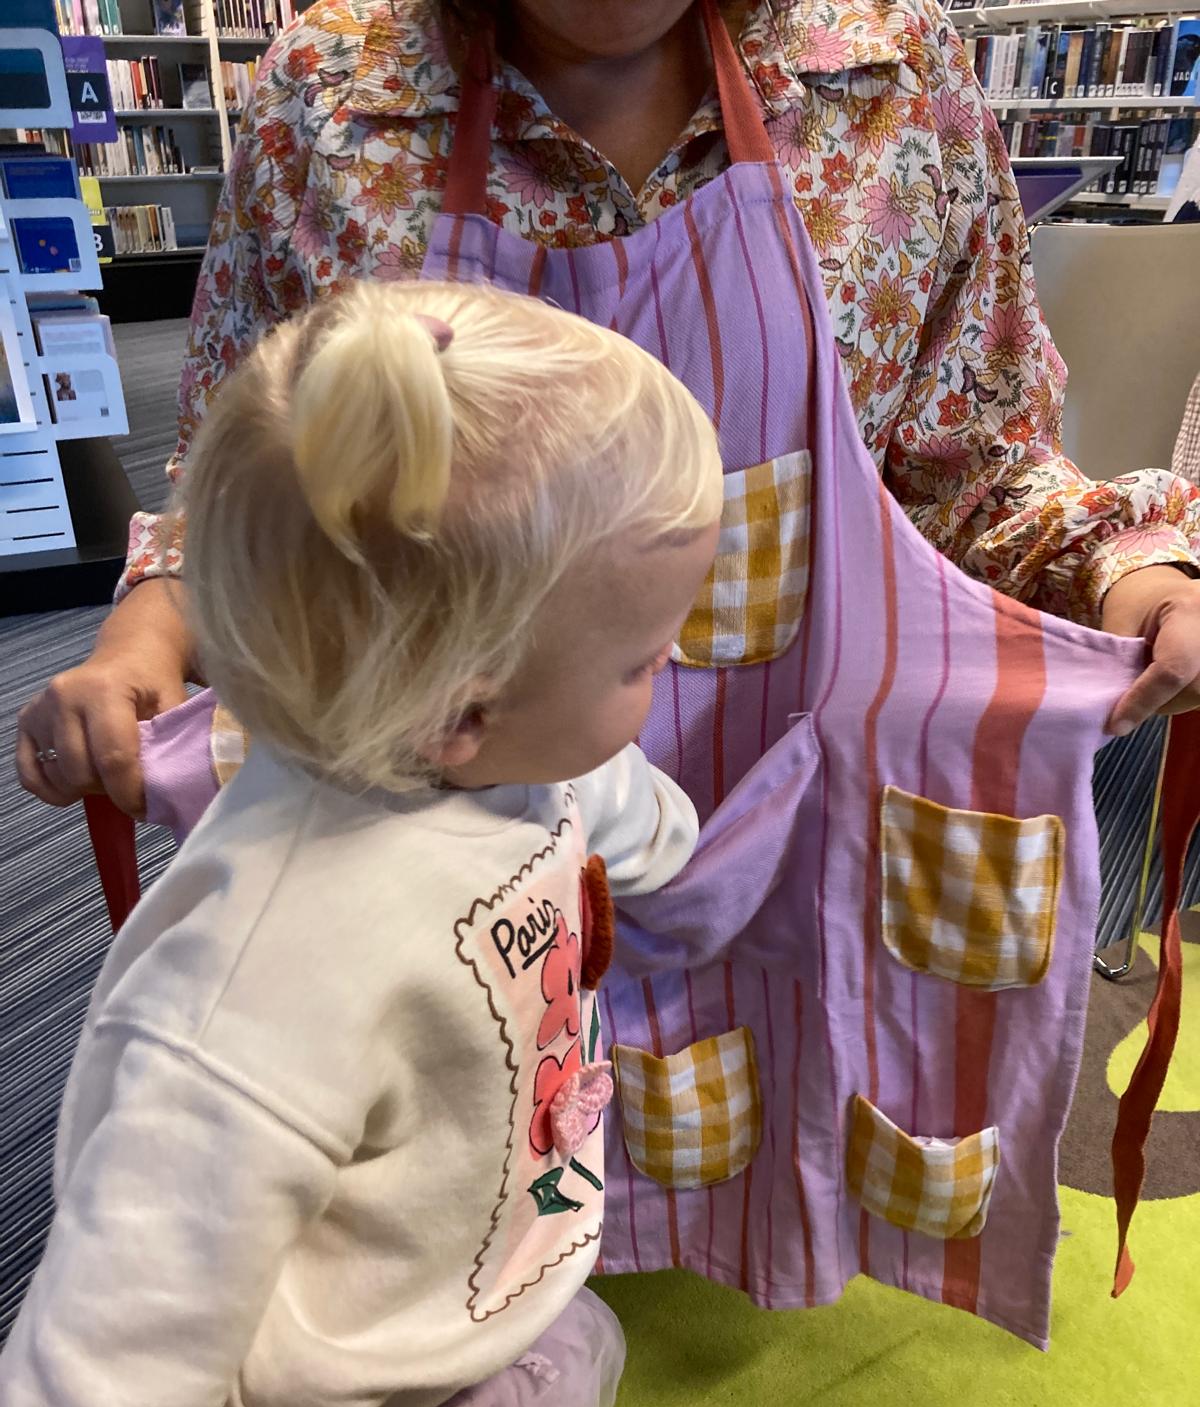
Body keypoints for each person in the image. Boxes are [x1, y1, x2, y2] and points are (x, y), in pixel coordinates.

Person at [14, 0, 1200, 814]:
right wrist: (148, 637)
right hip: (433, 844)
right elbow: (252, 487)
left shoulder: (896, 78)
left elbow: (975, 466)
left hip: (798, 819)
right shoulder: (329, 101)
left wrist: (1132, 577)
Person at [0, 279, 723, 1407]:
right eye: (641, 661)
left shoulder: (507, 759)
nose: (669, 670)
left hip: (465, 1310)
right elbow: (107, 1358)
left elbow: (612, 811)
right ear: (463, 714)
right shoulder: (261, 987)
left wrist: (704, 867)